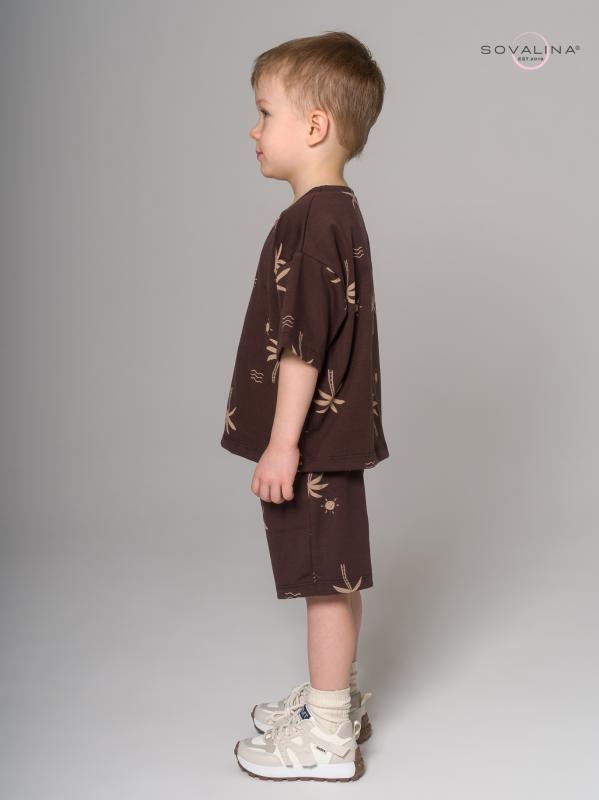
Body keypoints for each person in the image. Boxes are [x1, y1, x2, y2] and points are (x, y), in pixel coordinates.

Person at [220, 30, 389, 781]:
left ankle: (324, 740)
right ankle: (336, 703)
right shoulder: (337, 212)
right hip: (335, 437)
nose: (253, 130)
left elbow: (302, 346)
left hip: (313, 443)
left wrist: (282, 444)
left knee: (321, 580)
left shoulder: (311, 221)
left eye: (265, 113)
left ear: (314, 125)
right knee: (337, 574)